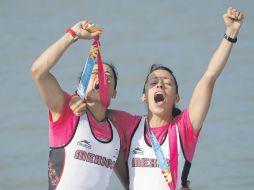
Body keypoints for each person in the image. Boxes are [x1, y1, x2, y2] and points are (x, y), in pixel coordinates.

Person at [70, 7, 244, 190]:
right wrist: (77, 100)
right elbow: (97, 109)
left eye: (167, 83)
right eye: (153, 83)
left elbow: (209, 78)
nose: (160, 85)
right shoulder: (129, 125)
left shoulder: (184, 128)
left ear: (176, 97)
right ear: (143, 97)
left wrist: (230, 33)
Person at [30, 20, 128, 190]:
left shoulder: (117, 131)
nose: (101, 78)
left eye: (108, 76)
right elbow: (38, 72)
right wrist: (72, 35)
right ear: (83, 82)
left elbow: (130, 183)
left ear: (114, 93)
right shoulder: (66, 110)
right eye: (95, 73)